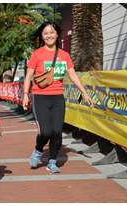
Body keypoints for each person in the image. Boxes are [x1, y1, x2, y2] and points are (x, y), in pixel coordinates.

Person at [23, 22, 93, 174]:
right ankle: (38, 150)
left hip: (57, 98)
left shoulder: (64, 55)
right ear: (42, 36)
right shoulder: (37, 54)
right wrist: (25, 95)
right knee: (45, 132)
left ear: (57, 34)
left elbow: (73, 75)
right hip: (40, 97)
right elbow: (29, 75)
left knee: (57, 132)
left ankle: (52, 162)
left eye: (52, 32)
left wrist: (84, 92)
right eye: (46, 33)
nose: (49, 35)